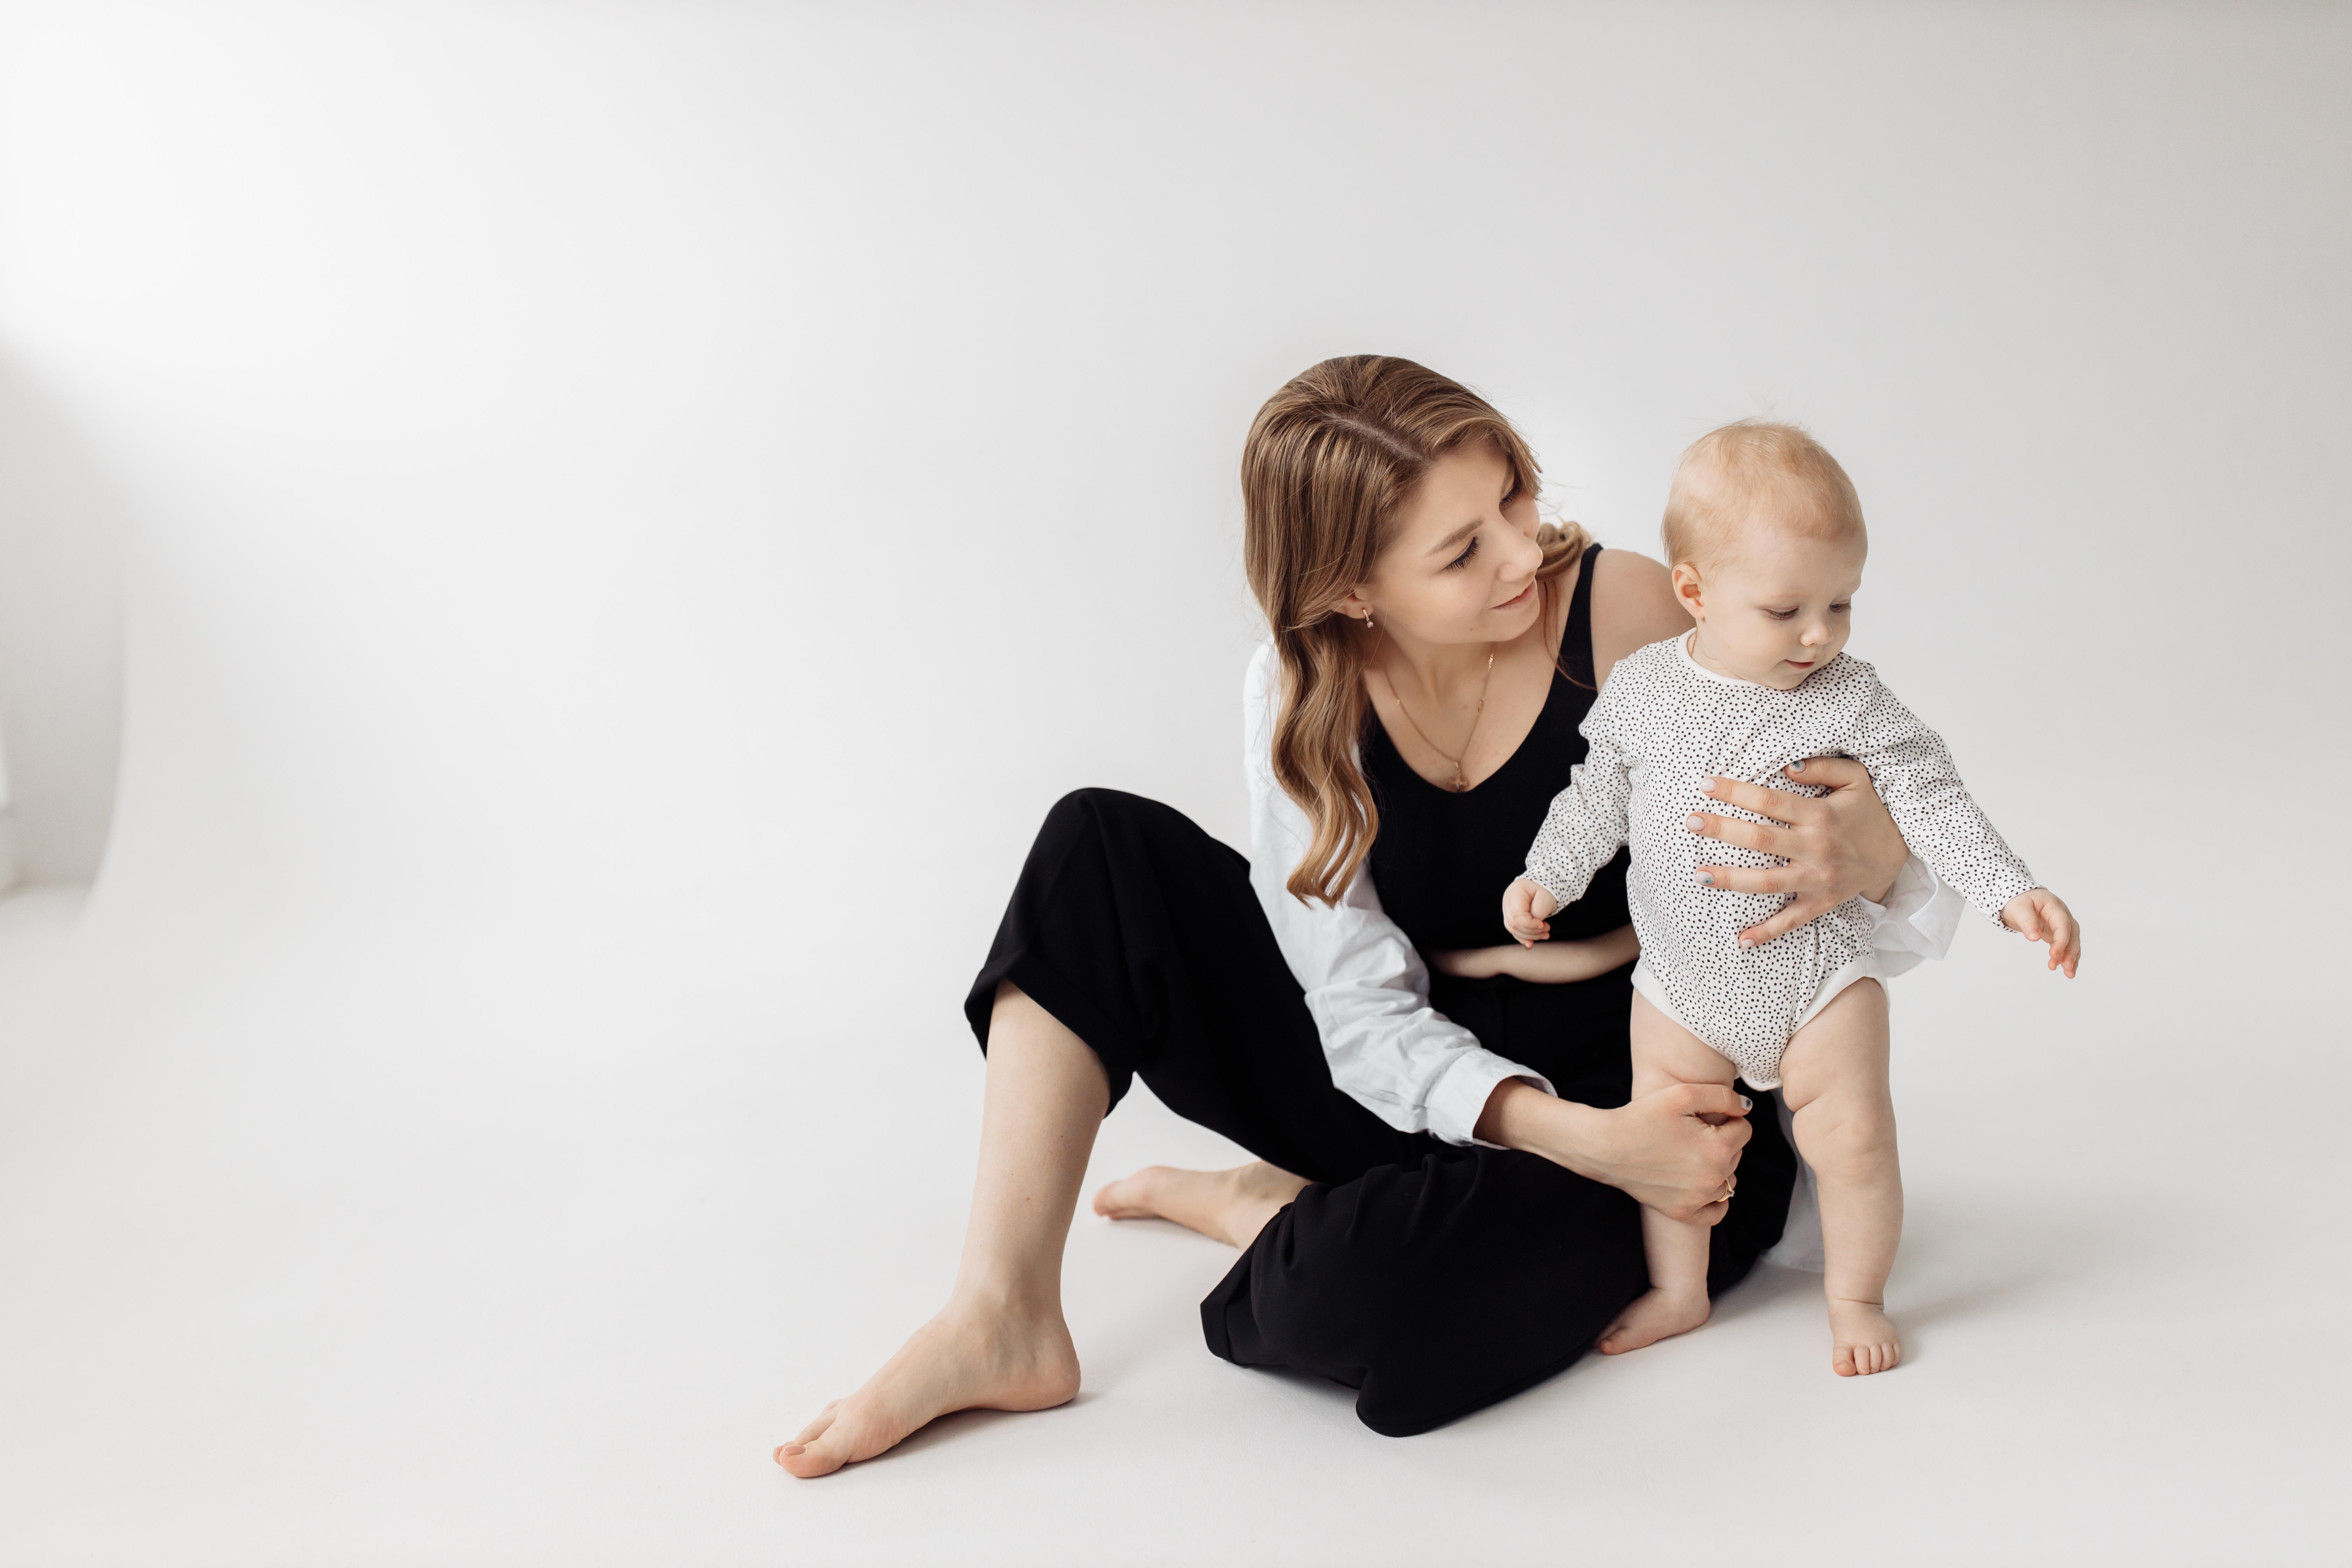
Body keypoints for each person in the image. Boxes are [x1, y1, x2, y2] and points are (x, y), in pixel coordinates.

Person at [776, 357, 1960, 1478]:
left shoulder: (1635, 614)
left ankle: (1270, 1203)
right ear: (1352, 589)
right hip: (1425, 1068)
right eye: (1461, 550)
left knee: (1350, 1309)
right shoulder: (1302, 688)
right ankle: (1004, 1312)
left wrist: (1876, 853)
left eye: (1512, 495)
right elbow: (1352, 1003)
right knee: (1097, 845)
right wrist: (1571, 1141)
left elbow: (1869, 824)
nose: (1518, 554)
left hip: (1659, 1077)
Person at [1504, 420, 2080, 1377]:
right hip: (1683, 985)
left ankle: (1856, 1296)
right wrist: (1549, 876)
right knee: (1677, 1141)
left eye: (1841, 603)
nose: (1820, 635)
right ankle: (1680, 1290)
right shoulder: (1646, 688)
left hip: (1818, 977)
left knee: (1854, 1137)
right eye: (1785, 611)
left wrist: (2008, 887)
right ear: (1694, 591)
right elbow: (1595, 792)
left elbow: (1933, 795)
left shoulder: (1851, 697)